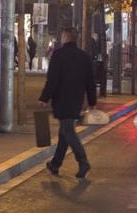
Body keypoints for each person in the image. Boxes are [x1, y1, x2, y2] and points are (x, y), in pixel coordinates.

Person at [40, 27, 96, 179]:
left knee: (68, 131)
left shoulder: (58, 55)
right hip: (77, 99)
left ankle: (83, 161)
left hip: (62, 99)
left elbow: (52, 79)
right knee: (64, 131)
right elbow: (90, 81)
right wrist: (92, 101)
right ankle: (55, 164)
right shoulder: (84, 57)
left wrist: (45, 98)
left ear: (65, 37)